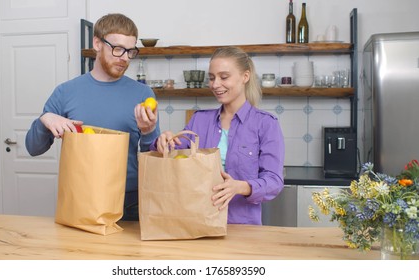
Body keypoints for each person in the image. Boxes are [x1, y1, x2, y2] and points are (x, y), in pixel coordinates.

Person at [25, 13, 160, 221]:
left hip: (131, 204)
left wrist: (149, 132)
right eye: (117, 49)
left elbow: (154, 159)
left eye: (130, 51)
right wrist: (45, 119)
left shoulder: (143, 94)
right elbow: (33, 149)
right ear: (97, 43)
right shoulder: (65, 92)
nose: (124, 58)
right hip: (80, 199)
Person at [151, 46, 284, 225]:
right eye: (212, 78)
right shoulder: (199, 120)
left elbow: (274, 181)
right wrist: (163, 141)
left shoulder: (266, 124)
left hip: (243, 226)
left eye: (224, 77)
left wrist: (240, 186)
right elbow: (172, 157)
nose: (215, 84)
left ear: (245, 76)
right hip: (197, 222)